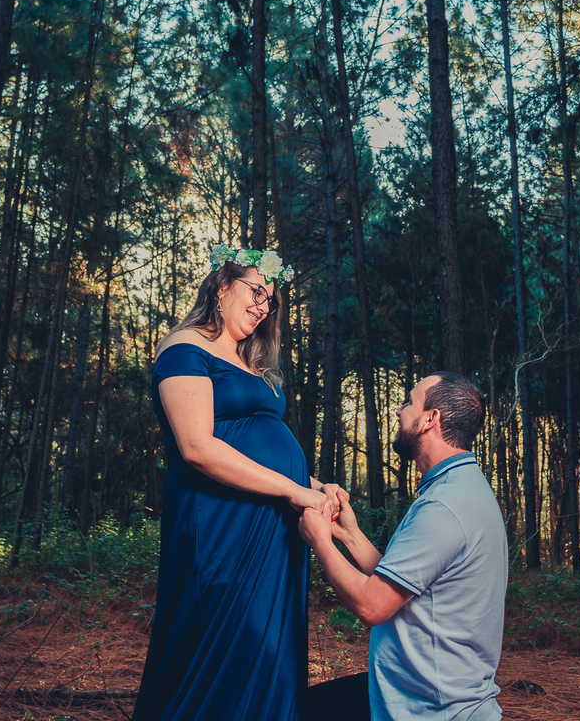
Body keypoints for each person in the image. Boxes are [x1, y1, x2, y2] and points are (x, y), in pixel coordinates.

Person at [131, 244, 345, 721]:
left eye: (269, 300)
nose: (262, 305)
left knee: (271, 646)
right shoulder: (184, 346)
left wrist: (313, 483)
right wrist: (295, 489)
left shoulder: (250, 362)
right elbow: (198, 447)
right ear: (222, 287)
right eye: (255, 290)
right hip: (220, 521)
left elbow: (255, 445)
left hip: (271, 524)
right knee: (222, 638)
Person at [299, 372, 507, 721]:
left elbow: (371, 606)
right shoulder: (462, 486)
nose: (399, 411)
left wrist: (319, 540)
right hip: (421, 693)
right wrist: (349, 534)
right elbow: (404, 583)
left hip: (429, 709)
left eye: (410, 402)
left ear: (430, 419)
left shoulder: (444, 506)